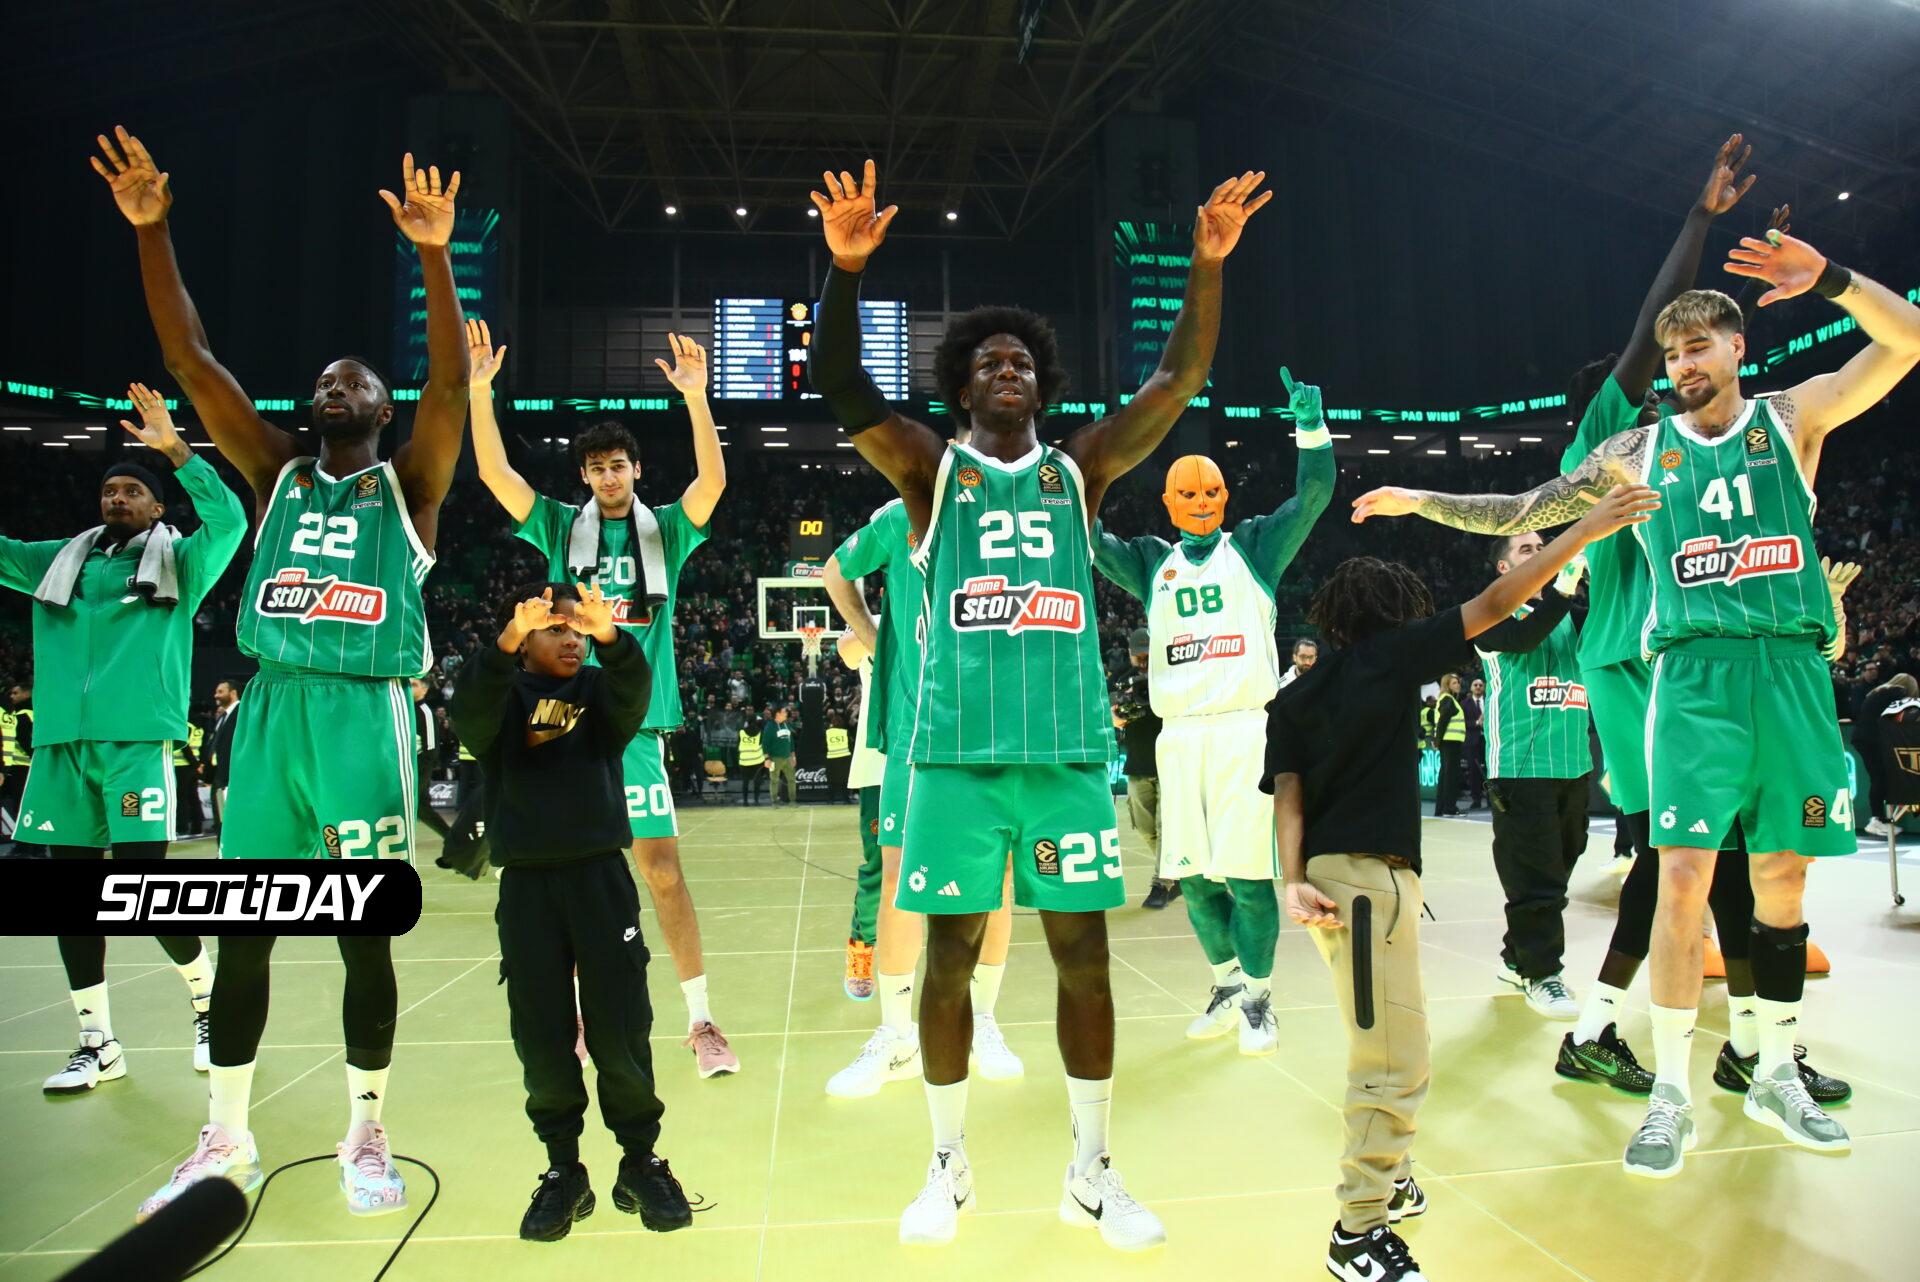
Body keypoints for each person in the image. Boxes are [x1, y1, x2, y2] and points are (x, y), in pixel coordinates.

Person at [1357, 207, 1920, 1173]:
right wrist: (1421, 500)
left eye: (1699, 347)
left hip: (1791, 671)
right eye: (1673, 354)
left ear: (1737, 348)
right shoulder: (1638, 451)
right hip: (1691, 675)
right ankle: (1670, 1094)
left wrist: (1828, 277)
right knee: (1684, 880)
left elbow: (1905, 342)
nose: (1683, 365)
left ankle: (1775, 1068)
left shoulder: (1793, 418)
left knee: (1782, 880)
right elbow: (1525, 507)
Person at [810, 156, 1268, 1249]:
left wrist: (1206, 265)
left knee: (1083, 960)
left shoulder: (1080, 470)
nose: (1008, 369)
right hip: (954, 760)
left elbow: (1178, 380)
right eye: (989, 362)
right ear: (963, 388)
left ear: (1041, 383)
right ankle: (947, 1164)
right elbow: (843, 386)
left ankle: (1092, 1170)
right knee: (947, 961)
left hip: (1064, 758)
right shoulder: (928, 472)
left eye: (1022, 360)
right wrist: (844, 273)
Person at [102, 130, 469, 1220]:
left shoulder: (413, 485)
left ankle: (366, 1129)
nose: (332, 386)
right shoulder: (274, 474)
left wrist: (435, 256)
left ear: (383, 410)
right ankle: (227, 1135)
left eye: (353, 381)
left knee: (363, 936)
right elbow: (191, 364)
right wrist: (153, 231)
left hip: (363, 716)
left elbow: (452, 381)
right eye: (321, 382)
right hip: (269, 714)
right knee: (244, 932)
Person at [1269, 485, 1657, 1282]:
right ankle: (1357, 1231)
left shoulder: (1297, 695)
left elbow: (1289, 796)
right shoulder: (1393, 658)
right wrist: (1583, 532)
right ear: (1396, 614)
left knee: (1381, 1037)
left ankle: (1393, 1176)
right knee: (1394, 1061)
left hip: (1334, 883)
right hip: (1370, 887)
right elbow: (1500, 601)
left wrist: (1290, 880)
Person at [465, 323, 738, 1077]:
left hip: (635, 725)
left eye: (617, 466)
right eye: (595, 468)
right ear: (584, 477)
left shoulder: (668, 531)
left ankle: (702, 1020)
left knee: (662, 871)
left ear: (635, 470)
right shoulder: (560, 526)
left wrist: (697, 399)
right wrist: (481, 393)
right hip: (565, 723)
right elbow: (494, 473)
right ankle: (583, 1019)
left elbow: (712, 484)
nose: (607, 477)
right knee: (576, 876)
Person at [0, 383, 244, 1095]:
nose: (118, 498)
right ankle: (96, 1042)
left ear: (158, 507)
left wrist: (177, 452)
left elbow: (230, 519)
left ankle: (209, 1007)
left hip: (136, 744)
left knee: (148, 892)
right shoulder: (57, 560)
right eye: (110, 491)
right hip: (61, 749)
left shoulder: (182, 563)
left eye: (134, 490)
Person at [1094, 370, 1335, 1055]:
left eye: (1211, 492)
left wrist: (1310, 429)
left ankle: (1259, 999)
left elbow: (1314, 496)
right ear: (1168, 502)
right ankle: (1227, 984)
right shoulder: (1151, 564)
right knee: (1195, 880)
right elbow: (1086, 540)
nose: (1201, 502)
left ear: (1225, 497)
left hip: (1243, 732)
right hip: (1178, 740)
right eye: (1188, 493)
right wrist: (1086, 470)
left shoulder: (1253, 548)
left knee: (1250, 881)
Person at [449, 581, 691, 1243]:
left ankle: (640, 1161)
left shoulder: (599, 693)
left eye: (575, 630)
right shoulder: (500, 697)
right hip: (527, 888)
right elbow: (468, 714)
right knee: (542, 1036)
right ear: (522, 637)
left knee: (621, 1026)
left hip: (599, 879)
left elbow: (635, 686)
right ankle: (563, 1169)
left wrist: (608, 632)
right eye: (554, 628)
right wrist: (504, 640)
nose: (570, 639)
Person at [822, 500, 1024, 1098]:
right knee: (896, 880)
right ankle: (895, 1036)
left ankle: (983, 1021)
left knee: (998, 877)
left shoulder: (1010, 510)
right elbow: (835, 571)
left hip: (992, 730)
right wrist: (877, 641)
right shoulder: (898, 516)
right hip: (916, 734)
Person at [1475, 537, 1594, 1017]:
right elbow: (1525, 638)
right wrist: (1563, 589)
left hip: (1574, 763)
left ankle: (1515, 958)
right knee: (1536, 877)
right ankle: (1542, 973)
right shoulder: (1489, 613)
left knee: (1559, 869)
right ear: (1504, 567)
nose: (1541, 551)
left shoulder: (1570, 616)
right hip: (1520, 771)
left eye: (1543, 545)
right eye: (1527, 550)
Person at [1114, 659, 1175, 911]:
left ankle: (1161, 883)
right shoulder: (1123, 679)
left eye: (1145, 654)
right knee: (1144, 827)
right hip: (1138, 765)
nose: (1141, 661)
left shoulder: (1171, 675)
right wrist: (1120, 712)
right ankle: (1175, 871)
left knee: (1166, 828)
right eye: (1136, 655)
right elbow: (1113, 719)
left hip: (1170, 765)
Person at [1856, 672, 1919, 837]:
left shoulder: (1877, 692)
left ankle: (1878, 818)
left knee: (1879, 776)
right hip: (1873, 739)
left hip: (1863, 737)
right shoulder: (1898, 693)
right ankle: (1877, 819)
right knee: (1880, 777)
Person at [411, 678, 453, 841]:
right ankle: (452, 839)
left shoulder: (425, 712)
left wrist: (421, 774)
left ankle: (452, 839)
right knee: (421, 807)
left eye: (414, 685)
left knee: (416, 805)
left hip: (418, 768)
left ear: (424, 690)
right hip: (407, 767)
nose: (410, 688)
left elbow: (431, 749)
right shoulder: (406, 709)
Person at [1, 682, 35, 852]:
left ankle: (28, 847)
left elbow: (27, 743)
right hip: (21, 767)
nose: (12, 696)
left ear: (26, 694)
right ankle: (31, 847)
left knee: (22, 808)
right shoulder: (30, 712)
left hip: (21, 767)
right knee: (26, 808)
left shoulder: (21, 715)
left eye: (16, 693)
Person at [204, 678, 240, 836]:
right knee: (221, 821)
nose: (216, 695)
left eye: (220, 692)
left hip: (232, 778)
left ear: (233, 693)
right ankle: (222, 848)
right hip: (218, 777)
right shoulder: (223, 716)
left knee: (231, 823)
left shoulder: (242, 713)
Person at [1430, 674, 1467, 815]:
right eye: (1454, 683)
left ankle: (1441, 809)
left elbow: (1441, 721)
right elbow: (1443, 721)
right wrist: (1437, 740)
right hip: (1451, 742)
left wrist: (1437, 740)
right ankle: (1449, 808)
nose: (1458, 685)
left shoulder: (1445, 699)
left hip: (1447, 742)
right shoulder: (1448, 700)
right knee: (1451, 775)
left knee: (1445, 774)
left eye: (1458, 682)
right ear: (1447, 685)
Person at [171, 715, 206, 837]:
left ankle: (182, 828)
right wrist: (198, 764)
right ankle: (197, 828)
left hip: (181, 766)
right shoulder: (199, 728)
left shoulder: (185, 726)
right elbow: (202, 747)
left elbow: (185, 747)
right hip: (193, 767)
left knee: (181, 798)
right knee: (193, 797)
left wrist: (195, 764)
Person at [1461, 676, 1487, 810]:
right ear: (1471, 688)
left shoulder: (1490, 701)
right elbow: (1462, 723)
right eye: (1475, 685)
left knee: (1490, 769)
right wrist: (1477, 723)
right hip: (1472, 741)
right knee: (1473, 771)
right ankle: (1476, 799)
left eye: (1480, 685)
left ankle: (1491, 799)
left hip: (1488, 740)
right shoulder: (1464, 704)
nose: (1478, 687)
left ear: (1484, 687)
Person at [765, 706, 797, 805]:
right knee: (774, 780)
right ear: (777, 714)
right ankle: (774, 801)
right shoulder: (770, 726)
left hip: (788, 758)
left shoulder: (786, 724)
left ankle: (793, 800)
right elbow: (765, 743)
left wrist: (793, 756)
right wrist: (767, 758)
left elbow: (791, 742)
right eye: (784, 712)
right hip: (774, 758)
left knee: (792, 779)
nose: (786, 714)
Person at [735, 711, 767, 805]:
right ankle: (756, 801)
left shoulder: (741, 732)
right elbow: (763, 745)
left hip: (744, 761)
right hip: (757, 760)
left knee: (745, 781)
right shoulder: (760, 732)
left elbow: (738, 745)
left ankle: (745, 802)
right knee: (757, 781)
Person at [825, 710, 852, 804]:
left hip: (831, 759)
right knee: (845, 780)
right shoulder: (845, 732)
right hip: (845, 758)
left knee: (832, 781)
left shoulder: (827, 732)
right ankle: (846, 799)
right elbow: (851, 744)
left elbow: (823, 746)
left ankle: (830, 800)